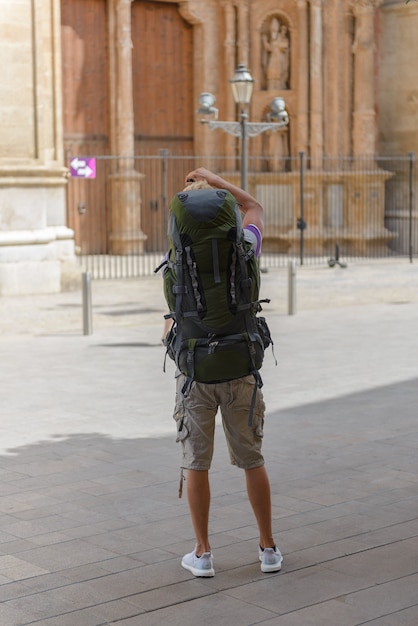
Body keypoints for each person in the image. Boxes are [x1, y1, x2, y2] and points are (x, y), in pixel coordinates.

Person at [168, 167, 283, 578]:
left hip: (196, 372)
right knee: (253, 460)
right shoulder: (246, 247)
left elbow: (172, 316)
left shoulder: (177, 256)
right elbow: (255, 206)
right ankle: (268, 548)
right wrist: (216, 179)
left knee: (196, 463)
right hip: (241, 369)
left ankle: (203, 554)